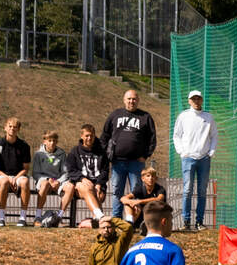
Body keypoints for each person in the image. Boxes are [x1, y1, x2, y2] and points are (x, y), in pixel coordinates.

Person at [101, 89, 158, 218]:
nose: (131, 101)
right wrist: (106, 155)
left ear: (138, 100)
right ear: (124, 100)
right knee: (117, 191)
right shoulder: (115, 115)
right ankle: (116, 218)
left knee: (136, 192)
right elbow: (104, 136)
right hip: (117, 162)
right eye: (129, 99)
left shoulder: (145, 117)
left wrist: (146, 155)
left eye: (134, 99)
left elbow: (152, 138)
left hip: (136, 163)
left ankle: (133, 220)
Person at [172, 89, 216, 231]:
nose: (196, 101)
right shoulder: (183, 116)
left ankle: (199, 222)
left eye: (198, 98)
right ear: (189, 101)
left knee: (202, 190)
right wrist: (182, 152)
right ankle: (186, 222)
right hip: (188, 158)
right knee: (187, 190)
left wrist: (211, 152)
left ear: (201, 100)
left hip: (204, 158)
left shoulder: (208, 117)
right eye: (193, 99)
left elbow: (214, 136)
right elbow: (176, 135)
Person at [61, 124, 109, 228]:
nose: (89, 138)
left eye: (91, 135)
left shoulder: (101, 152)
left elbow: (105, 171)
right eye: (87, 135)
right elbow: (71, 170)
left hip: (97, 184)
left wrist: (99, 184)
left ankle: (96, 220)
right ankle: (100, 216)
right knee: (87, 188)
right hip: (80, 184)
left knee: (99, 195)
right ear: (82, 136)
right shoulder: (75, 151)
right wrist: (82, 179)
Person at [0, 116, 32, 226]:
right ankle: (1, 218)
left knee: (25, 182)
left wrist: (15, 178)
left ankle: (22, 218)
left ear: (18, 129)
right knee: (4, 182)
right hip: (1, 176)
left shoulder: (24, 146)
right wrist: (8, 178)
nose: (12, 129)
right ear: (5, 128)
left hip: (17, 176)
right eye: (10, 126)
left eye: (15, 127)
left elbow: (26, 169)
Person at [32, 130, 68, 226]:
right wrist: (47, 179)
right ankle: (38, 217)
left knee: (70, 187)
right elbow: (35, 173)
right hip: (44, 180)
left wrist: (58, 181)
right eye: (50, 140)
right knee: (45, 184)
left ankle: (58, 217)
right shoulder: (38, 154)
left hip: (58, 181)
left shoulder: (62, 154)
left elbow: (65, 172)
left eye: (54, 141)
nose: (52, 143)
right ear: (44, 141)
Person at [120, 166, 166, 235]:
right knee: (128, 204)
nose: (151, 178)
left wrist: (140, 201)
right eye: (148, 176)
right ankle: (130, 223)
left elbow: (159, 199)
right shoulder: (140, 188)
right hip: (141, 215)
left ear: (156, 179)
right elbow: (123, 199)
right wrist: (132, 203)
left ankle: (147, 227)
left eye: (153, 176)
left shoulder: (160, 189)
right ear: (143, 179)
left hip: (156, 215)